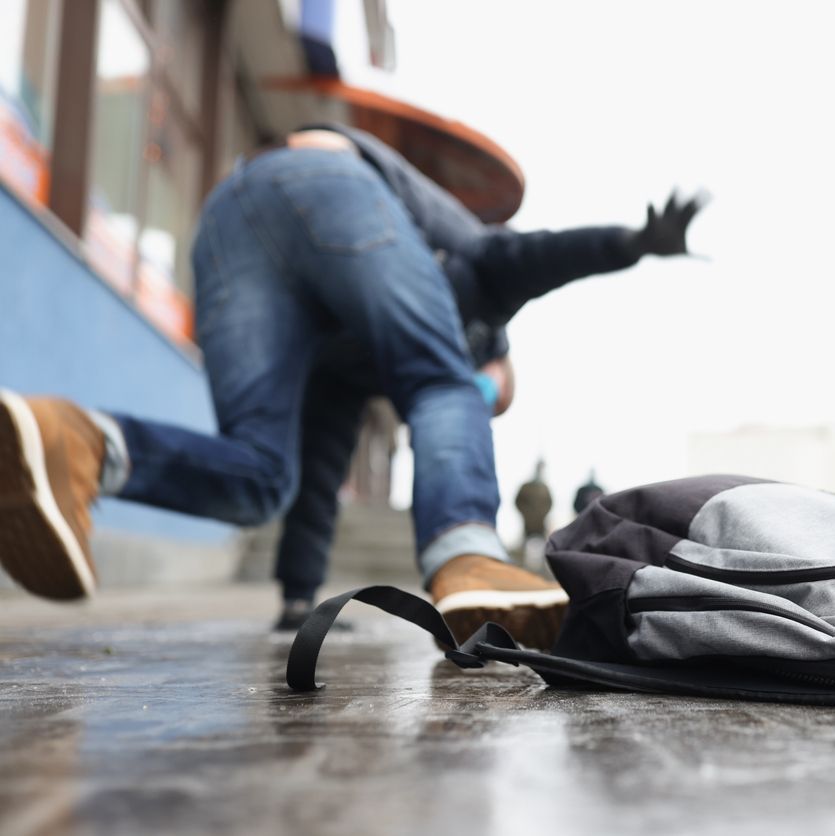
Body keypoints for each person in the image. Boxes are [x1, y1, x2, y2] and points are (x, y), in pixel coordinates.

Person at [0, 124, 704, 650]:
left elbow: (321, 470)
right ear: (496, 357)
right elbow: (523, 251)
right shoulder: (481, 293)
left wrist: (297, 599)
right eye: (493, 392)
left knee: (263, 473)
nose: (481, 401)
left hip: (228, 224)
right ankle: (465, 556)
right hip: (329, 183)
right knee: (439, 384)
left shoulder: (349, 366)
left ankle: (83, 443)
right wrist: (627, 244)